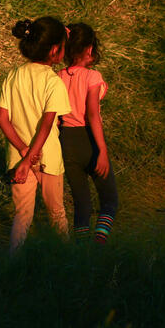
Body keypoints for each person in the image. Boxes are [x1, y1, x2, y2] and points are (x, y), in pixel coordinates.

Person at [0, 17, 71, 253]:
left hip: (19, 157)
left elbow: (2, 119)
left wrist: (23, 152)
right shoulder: (54, 82)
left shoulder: (13, 75)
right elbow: (47, 125)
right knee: (57, 212)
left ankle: (12, 263)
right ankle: (67, 260)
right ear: (54, 51)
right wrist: (31, 159)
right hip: (47, 156)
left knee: (22, 216)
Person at [59, 23, 118, 243]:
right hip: (89, 140)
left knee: (81, 203)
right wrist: (102, 150)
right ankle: (100, 241)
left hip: (66, 140)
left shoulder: (58, 76)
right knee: (110, 200)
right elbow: (92, 114)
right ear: (89, 49)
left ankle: (81, 249)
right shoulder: (92, 77)